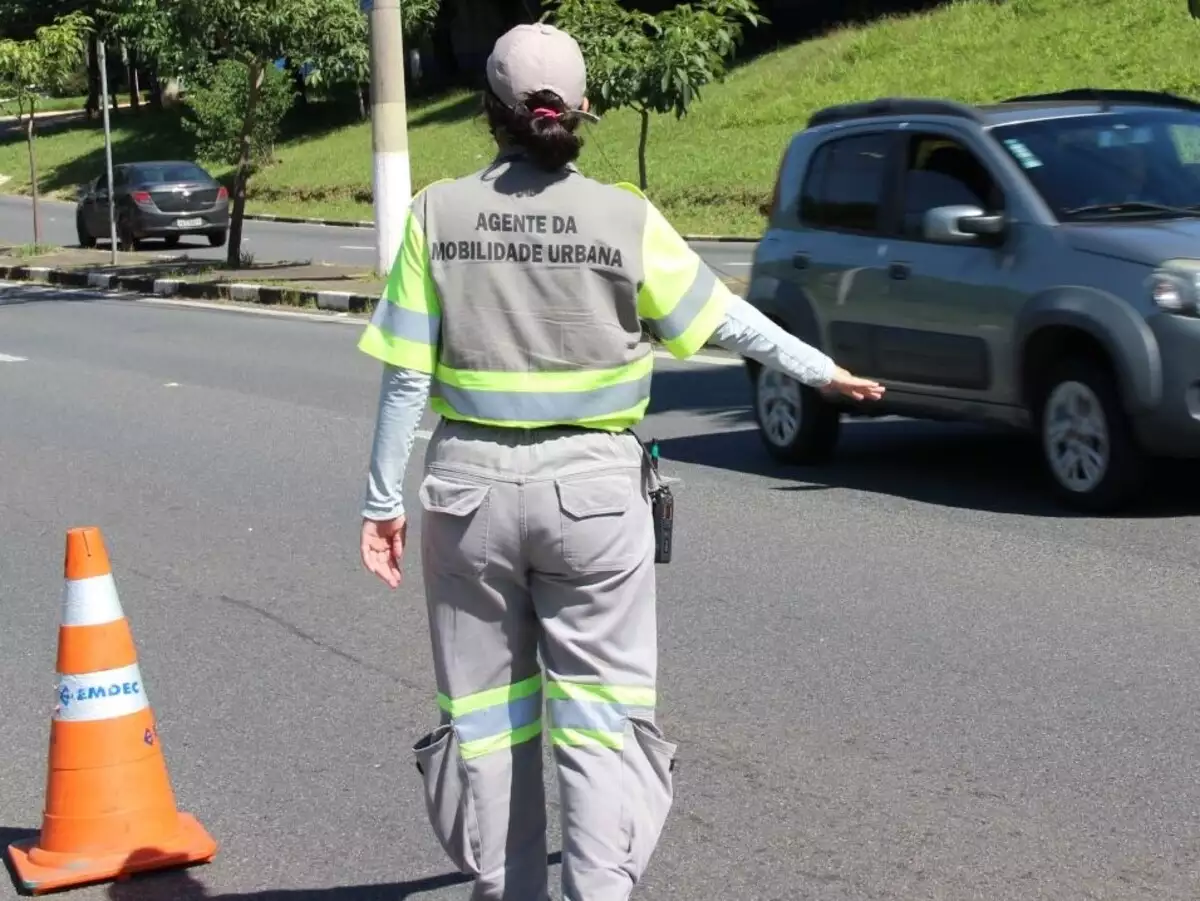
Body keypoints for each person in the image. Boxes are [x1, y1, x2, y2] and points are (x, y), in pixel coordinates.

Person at [356, 22, 885, 901]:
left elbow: (406, 380)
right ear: (581, 112)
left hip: (468, 499)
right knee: (601, 723)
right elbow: (727, 321)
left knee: (486, 729)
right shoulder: (623, 217)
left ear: (490, 112)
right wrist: (821, 368)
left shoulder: (435, 215)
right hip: (597, 504)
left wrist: (382, 502)